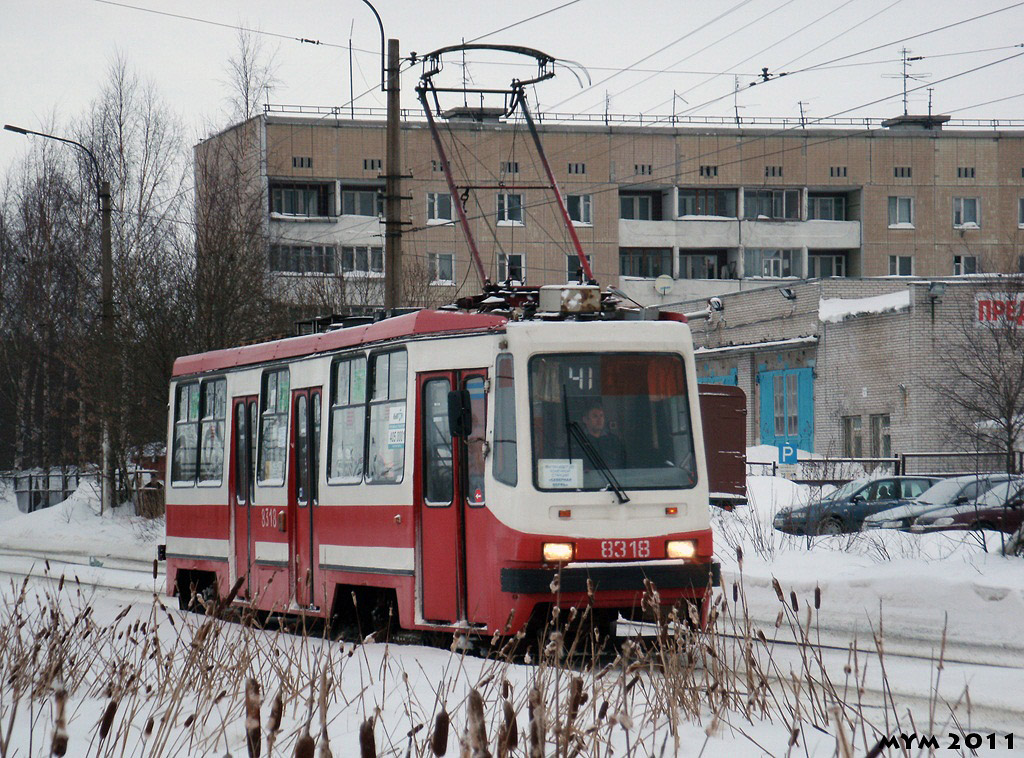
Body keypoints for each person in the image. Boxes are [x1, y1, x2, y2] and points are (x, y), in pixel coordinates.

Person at [579, 401, 626, 469]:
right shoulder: (577, 441)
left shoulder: (614, 440)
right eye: (595, 416)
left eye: (601, 416)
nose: (599, 420)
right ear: (585, 420)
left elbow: (624, 464)